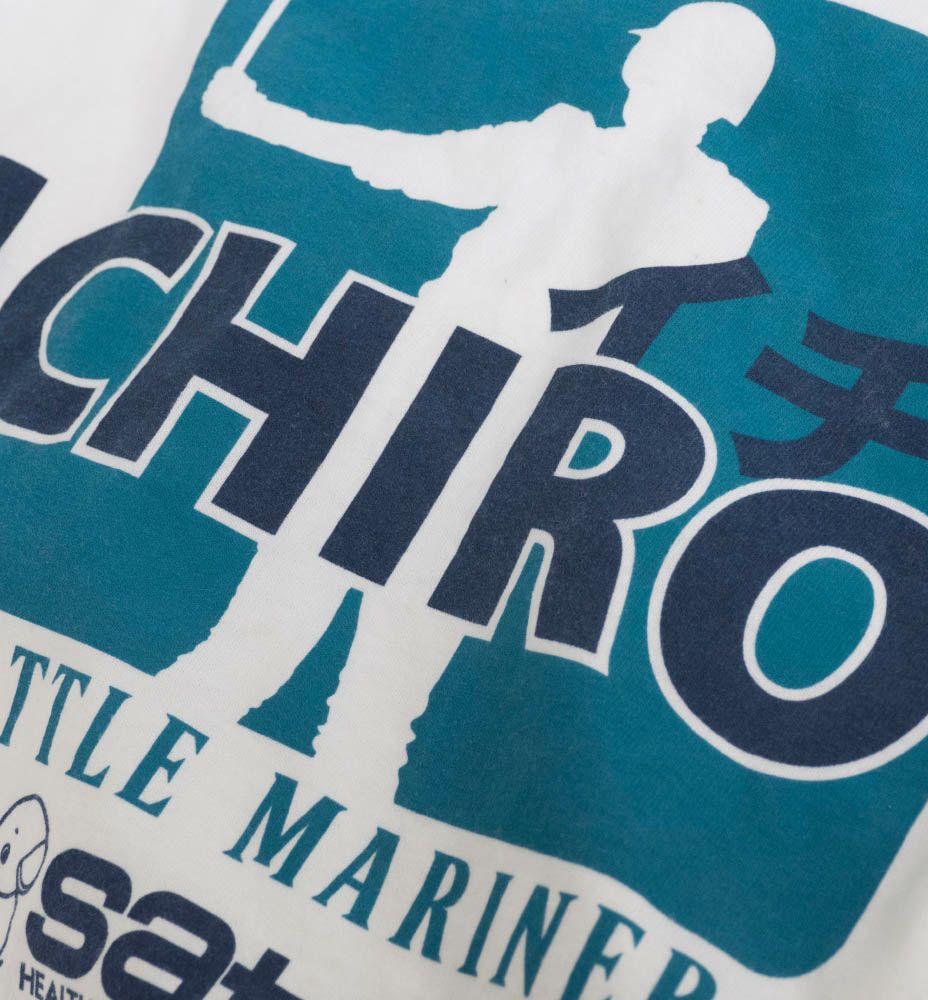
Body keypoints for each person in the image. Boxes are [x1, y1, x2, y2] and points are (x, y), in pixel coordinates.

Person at [161, 1, 777, 809]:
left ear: (671, 75)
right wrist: (263, 119)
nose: (640, 69)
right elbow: (412, 162)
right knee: (311, 665)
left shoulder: (690, 198)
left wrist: (260, 116)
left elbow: (410, 163)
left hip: (500, 417)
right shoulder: (671, 186)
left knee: (352, 681)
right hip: (468, 401)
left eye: (657, 59)